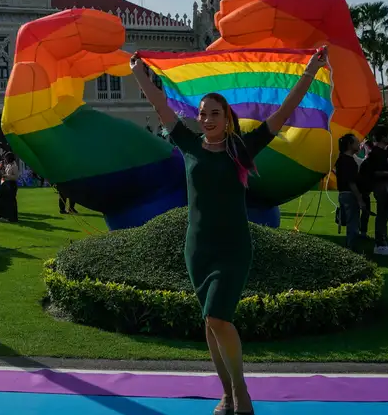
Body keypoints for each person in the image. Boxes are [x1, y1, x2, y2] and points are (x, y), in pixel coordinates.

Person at [133, 46, 328, 415]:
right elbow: (161, 107)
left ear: (227, 117)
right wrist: (139, 73)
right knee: (210, 322)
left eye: (214, 114)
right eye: (203, 113)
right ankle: (227, 394)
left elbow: (283, 112)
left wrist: (310, 71)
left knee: (218, 317)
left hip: (234, 247)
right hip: (198, 248)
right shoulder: (189, 144)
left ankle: (241, 393)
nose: (206, 119)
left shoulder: (242, 148)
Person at [359, 127, 388, 255]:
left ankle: (384, 241)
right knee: (382, 214)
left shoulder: (384, 152)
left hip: (386, 186)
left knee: (385, 214)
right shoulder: (376, 153)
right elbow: (375, 172)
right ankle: (379, 243)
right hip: (381, 186)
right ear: (383, 137)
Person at [335, 133, 366, 250]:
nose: (359, 145)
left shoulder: (342, 159)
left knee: (350, 221)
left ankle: (350, 245)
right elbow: (351, 182)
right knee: (353, 222)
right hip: (349, 194)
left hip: (343, 194)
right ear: (349, 144)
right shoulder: (348, 161)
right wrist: (359, 199)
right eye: (357, 142)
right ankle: (351, 248)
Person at [0, 152, 20, 223]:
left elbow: (15, 177)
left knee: (11, 201)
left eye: (6, 157)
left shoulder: (14, 166)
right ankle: (7, 216)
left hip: (12, 184)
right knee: (6, 201)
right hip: (6, 183)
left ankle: (13, 217)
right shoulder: (8, 165)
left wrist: (6, 176)